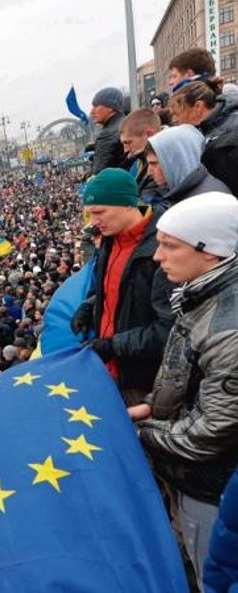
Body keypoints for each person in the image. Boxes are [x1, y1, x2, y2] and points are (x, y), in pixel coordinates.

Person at [131, 192, 238, 582]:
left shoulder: (231, 329)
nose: (158, 257)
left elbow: (211, 432)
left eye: (170, 245)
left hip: (214, 489)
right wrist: (151, 407)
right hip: (197, 476)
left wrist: (141, 434)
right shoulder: (202, 290)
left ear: (210, 251)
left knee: (213, 572)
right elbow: (187, 373)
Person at [71, 168, 175, 405]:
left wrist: (113, 345)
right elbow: (112, 290)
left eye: (99, 212)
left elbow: (170, 329)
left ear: (127, 204)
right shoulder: (110, 236)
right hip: (110, 370)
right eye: (89, 213)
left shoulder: (162, 249)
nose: (93, 222)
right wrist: (90, 307)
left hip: (144, 382)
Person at [169, 78, 238, 196]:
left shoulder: (231, 126)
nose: (174, 120)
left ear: (198, 107)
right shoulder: (206, 129)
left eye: (176, 113)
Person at [143, 124, 231, 208]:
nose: (149, 172)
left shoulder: (209, 200)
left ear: (176, 160)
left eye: (154, 164)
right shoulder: (188, 192)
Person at [119, 109, 162, 201]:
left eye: (128, 142)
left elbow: (148, 205)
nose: (125, 149)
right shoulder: (139, 161)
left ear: (149, 135)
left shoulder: (161, 163)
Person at [90, 87, 127, 173]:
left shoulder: (107, 135)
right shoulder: (125, 123)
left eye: (96, 106)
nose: (92, 111)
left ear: (111, 107)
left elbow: (99, 175)